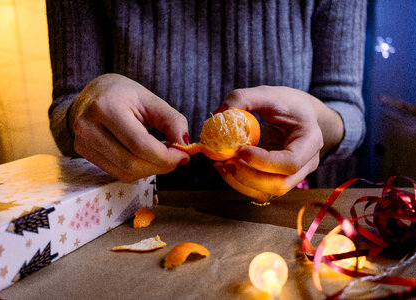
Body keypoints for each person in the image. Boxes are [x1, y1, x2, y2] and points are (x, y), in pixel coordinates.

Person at [46, 0, 367, 202]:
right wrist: (83, 107)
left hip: (274, 213)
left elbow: (346, 110)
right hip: (130, 210)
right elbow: (68, 107)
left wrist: (317, 120)